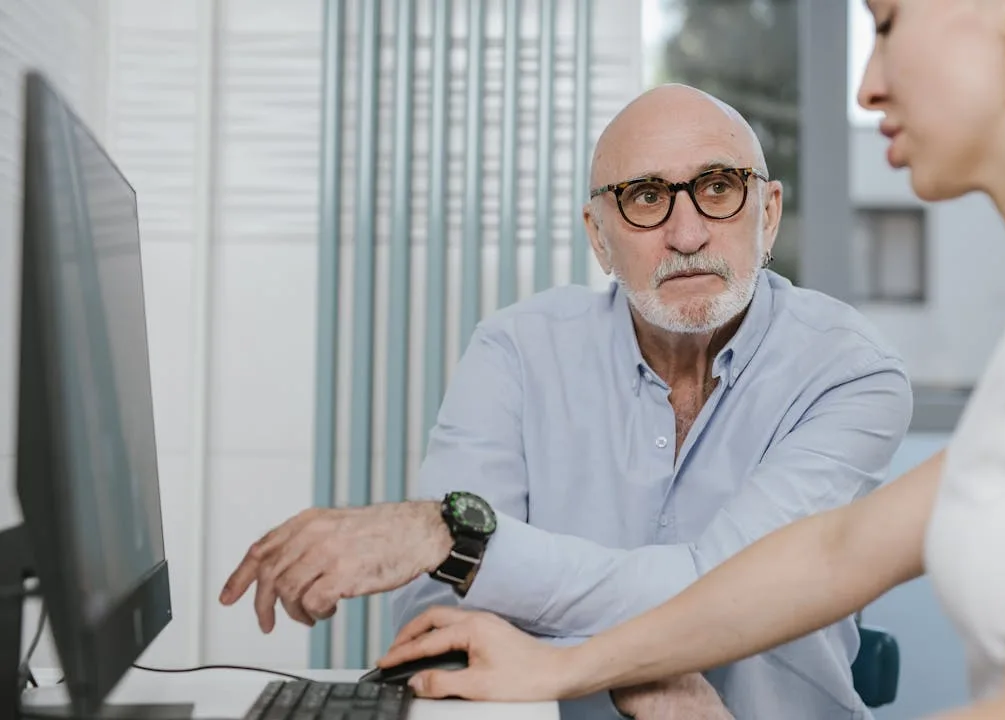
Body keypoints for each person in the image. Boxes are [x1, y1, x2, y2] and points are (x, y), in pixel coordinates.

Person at [374, 0, 1005, 717]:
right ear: (599, 235)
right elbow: (835, 554)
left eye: (886, 23)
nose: (866, 86)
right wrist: (564, 666)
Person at [219, 84, 914, 719]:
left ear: (767, 213)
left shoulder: (850, 374)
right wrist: (647, 669)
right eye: (645, 197)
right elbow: (438, 610)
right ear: (598, 236)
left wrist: (457, 540)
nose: (687, 233)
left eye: (718, 187)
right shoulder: (515, 350)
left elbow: (726, 589)